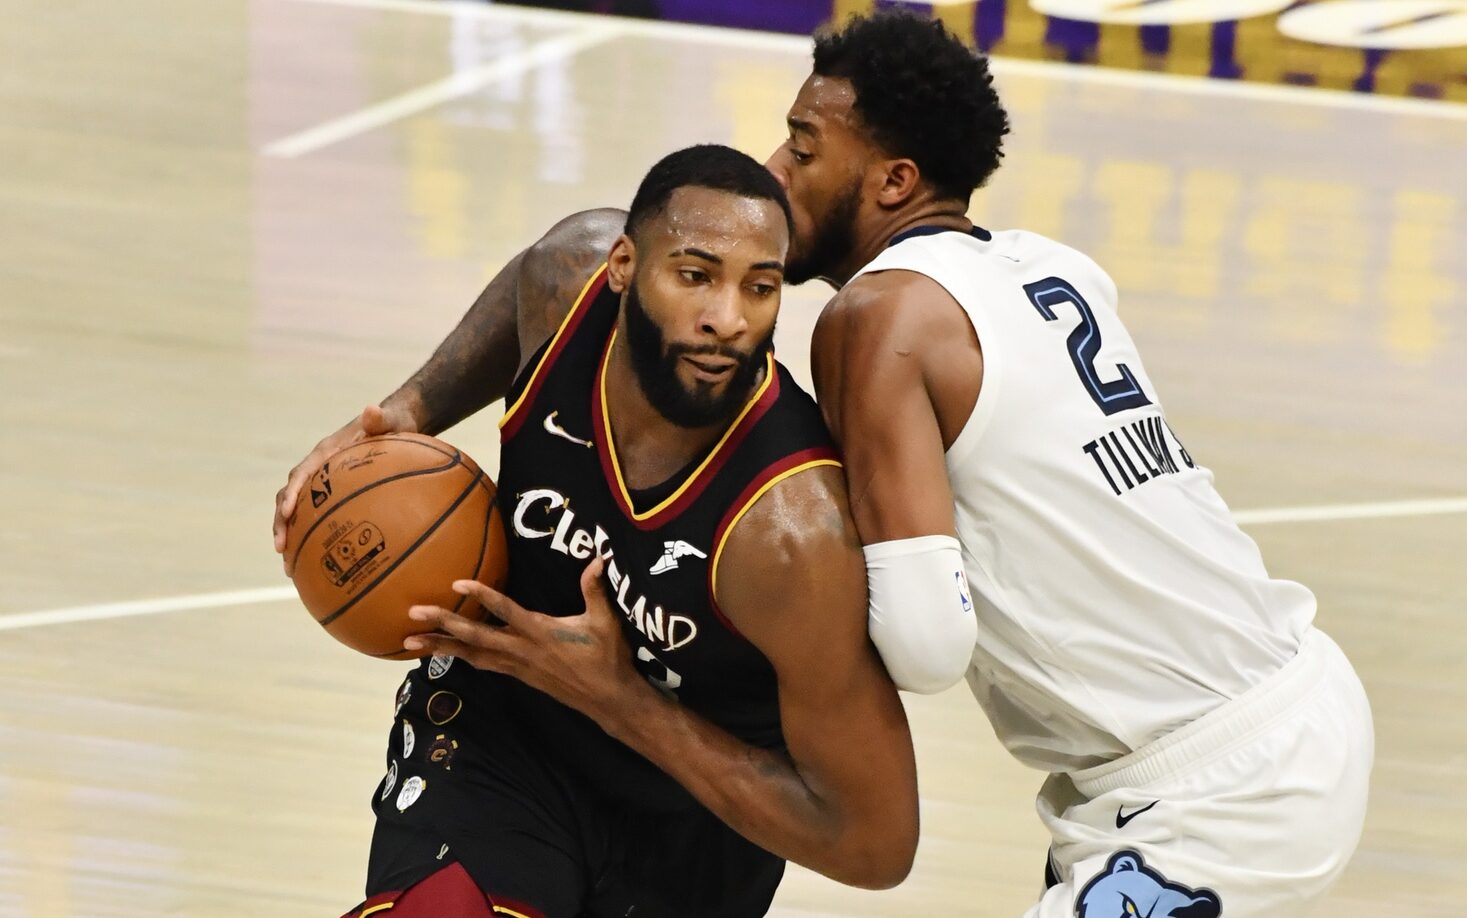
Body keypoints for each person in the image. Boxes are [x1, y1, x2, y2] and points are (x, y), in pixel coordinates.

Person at [275, 12, 1374, 916]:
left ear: (893, 181)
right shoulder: (1051, 270)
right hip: (1262, 711)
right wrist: (406, 411)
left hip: (1214, 782)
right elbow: (544, 273)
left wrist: (803, 589)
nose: (778, 165)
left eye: (806, 146)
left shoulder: (869, 325)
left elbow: (932, 646)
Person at [289, 145, 919, 918]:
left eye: (758, 288)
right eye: (694, 276)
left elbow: (875, 843)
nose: (726, 319)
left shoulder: (790, 537)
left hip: (690, 825)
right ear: (622, 266)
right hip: (503, 735)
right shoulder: (569, 282)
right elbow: (527, 282)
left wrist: (618, 698)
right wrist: (409, 412)